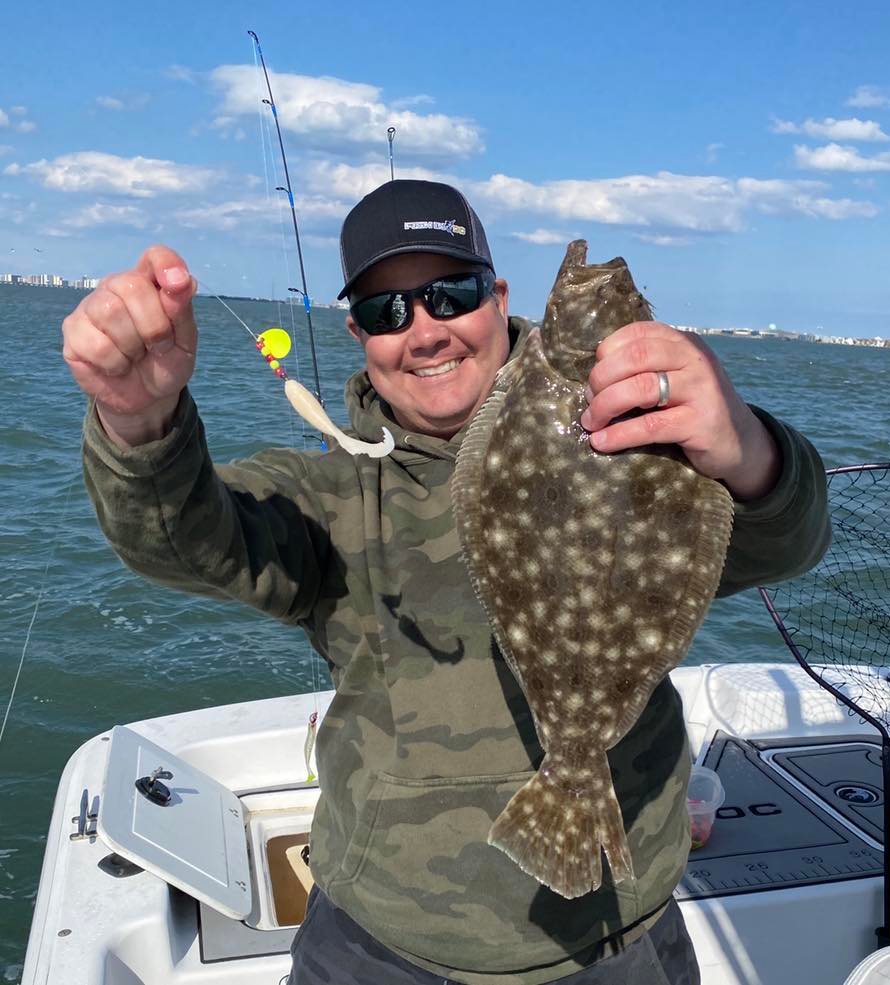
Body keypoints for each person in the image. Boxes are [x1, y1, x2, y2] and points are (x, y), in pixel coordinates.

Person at [63, 179, 830, 984]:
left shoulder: (642, 441)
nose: (424, 330)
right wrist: (137, 423)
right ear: (359, 333)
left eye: (450, 294)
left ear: (498, 298)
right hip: (379, 941)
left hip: (617, 929)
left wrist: (747, 447)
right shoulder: (333, 494)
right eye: (388, 310)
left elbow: (783, 543)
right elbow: (181, 541)